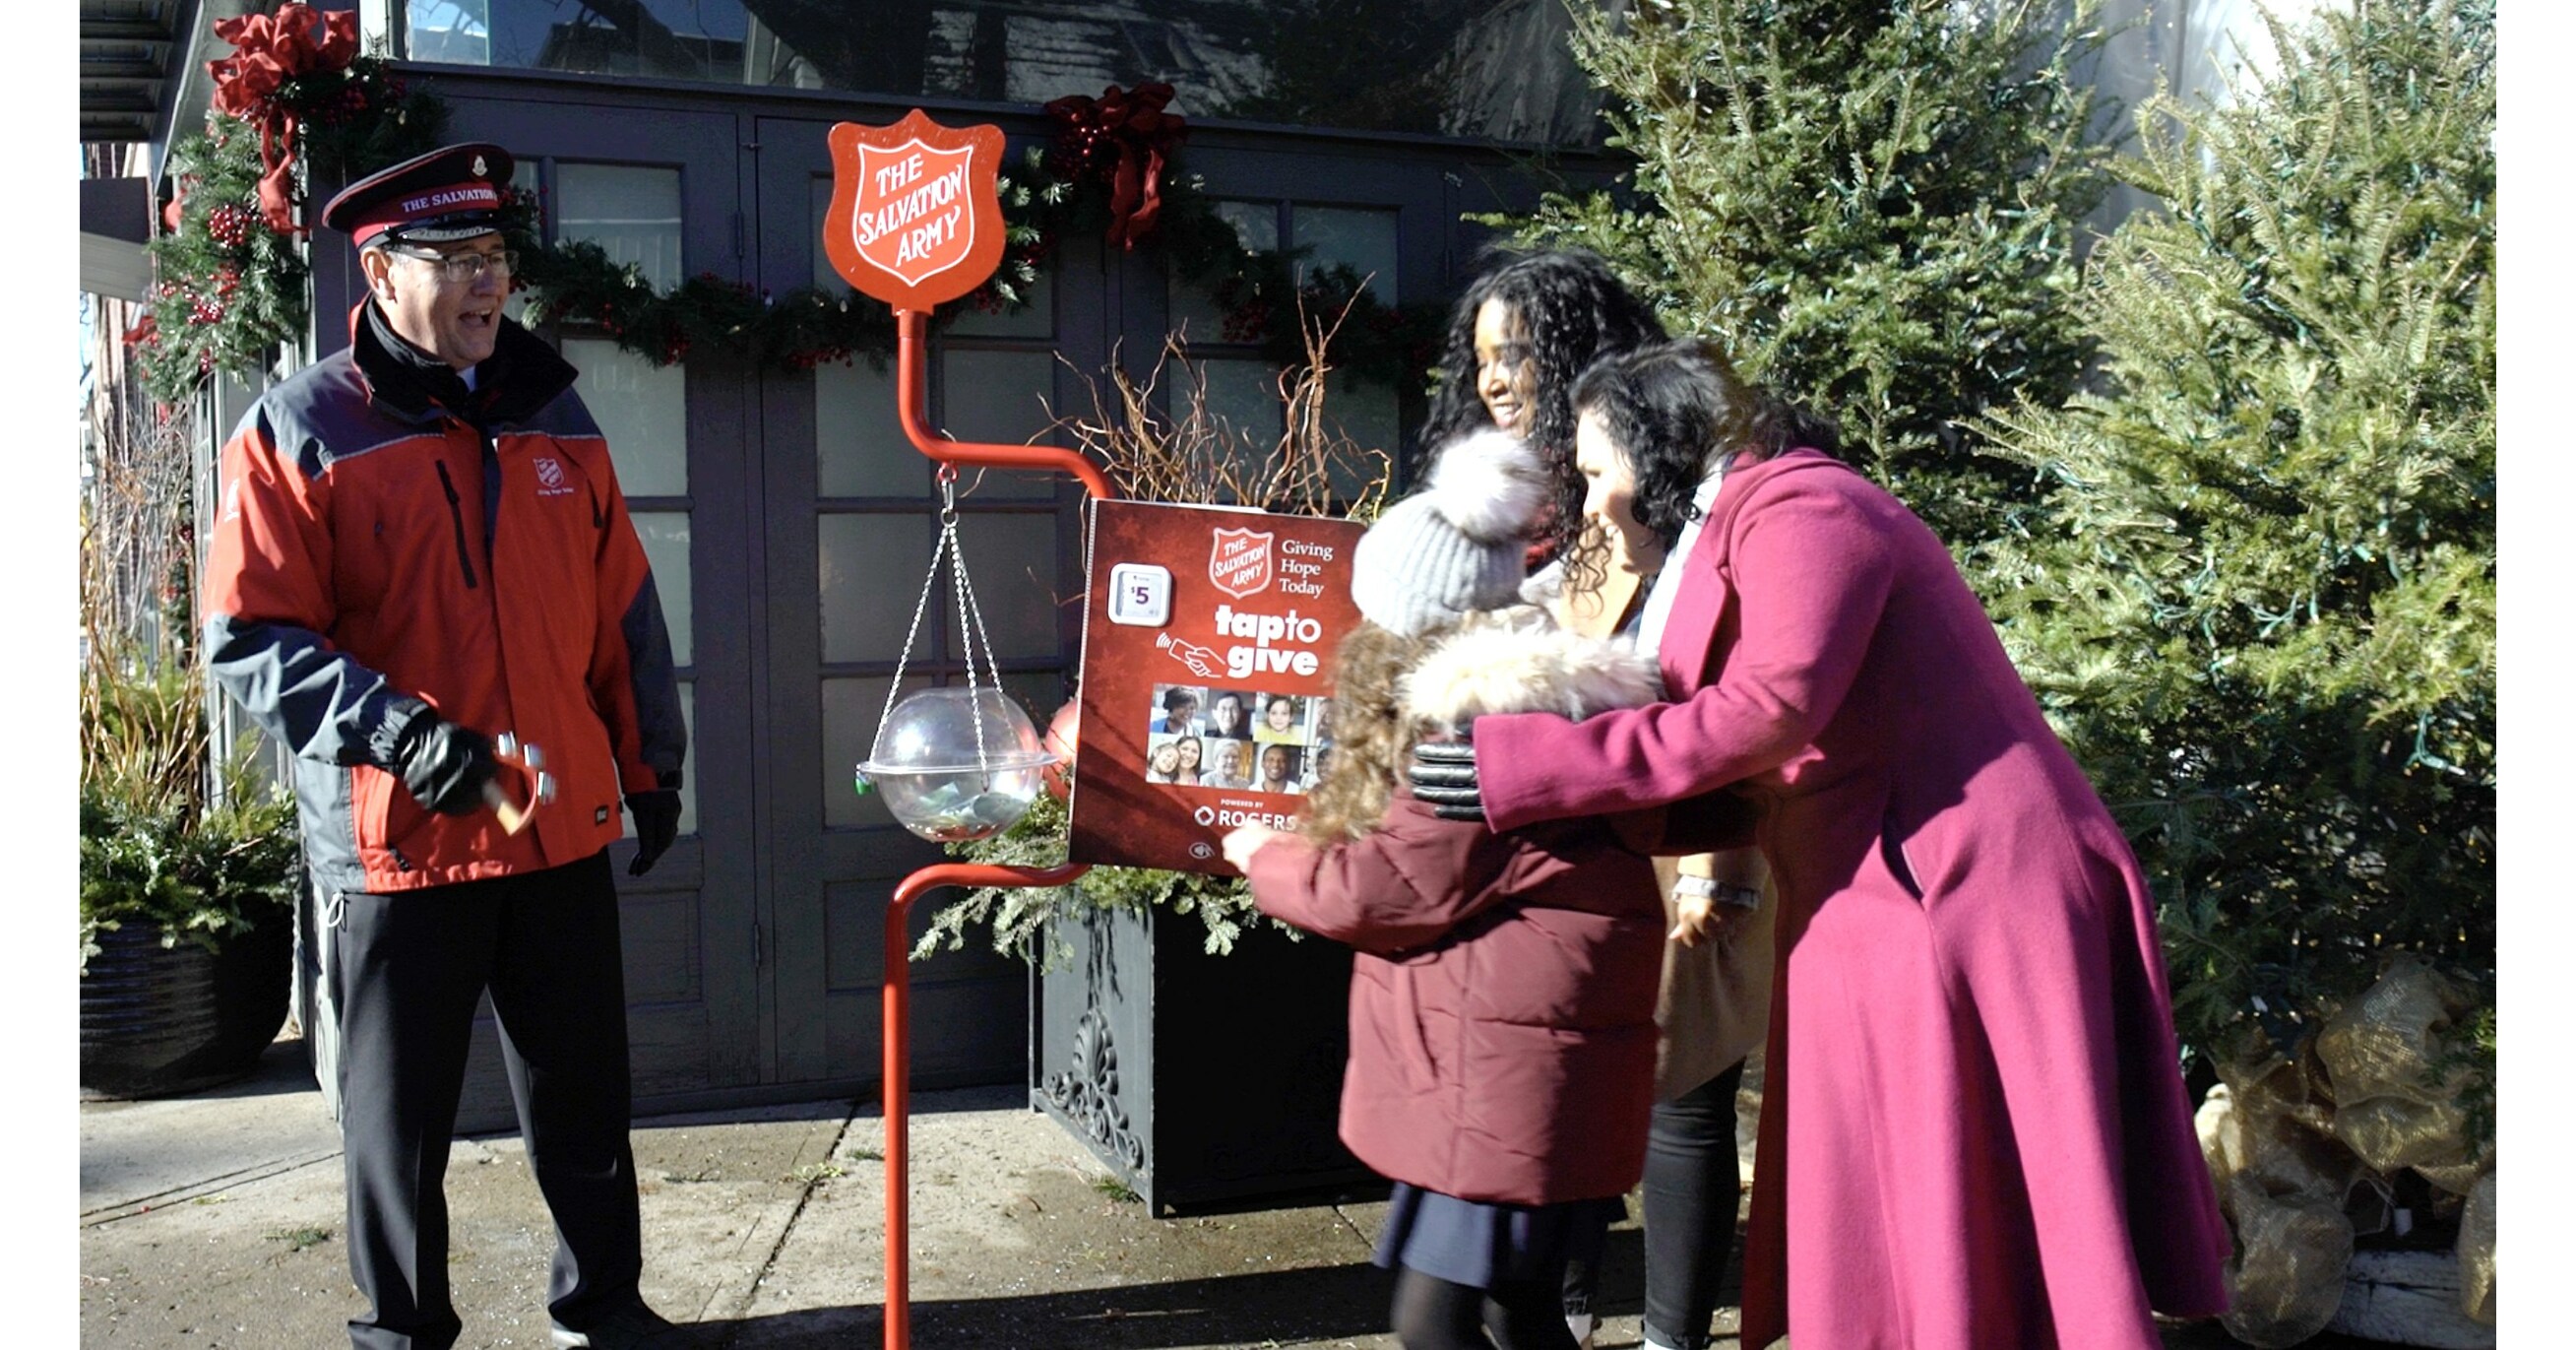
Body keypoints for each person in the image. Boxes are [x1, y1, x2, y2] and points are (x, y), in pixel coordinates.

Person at [1410, 342, 2231, 1349]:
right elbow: (1744, 756)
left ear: (1657, 442)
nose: (1590, 505)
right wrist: (1550, 797)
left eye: (1593, 472)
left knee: (1944, 1179)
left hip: (1958, 883)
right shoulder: (1746, 522)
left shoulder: (1805, 509)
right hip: (1882, 878)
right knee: (1903, 1181)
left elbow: (1767, 713)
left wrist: (1527, 770)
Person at [200, 144, 696, 1350]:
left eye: (499, 260)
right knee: (399, 1125)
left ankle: (609, 1309)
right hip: (401, 843)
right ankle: (402, 1337)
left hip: (554, 826)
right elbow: (248, 633)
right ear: (380, 271)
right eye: (460, 261)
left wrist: (648, 765)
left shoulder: (553, 415)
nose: (491, 285)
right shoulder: (300, 427)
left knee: (585, 1102)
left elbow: (621, 608)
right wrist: (403, 736)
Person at [1222, 429, 1671, 1350]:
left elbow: (1376, 890)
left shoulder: (1476, 727)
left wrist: (1257, 851)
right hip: (1521, 1068)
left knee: (1433, 1323)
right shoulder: (1543, 702)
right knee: (1522, 1308)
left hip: (1499, 1079)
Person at [1429, 246, 1760, 1350]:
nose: (1493, 378)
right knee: (1566, 1081)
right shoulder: (1502, 492)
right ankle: (1559, 1310)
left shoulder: (1660, 470)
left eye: (1515, 351)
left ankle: (1673, 1337)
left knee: (1682, 1087)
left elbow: (1721, 675)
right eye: (1481, 357)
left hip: (1675, 826)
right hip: (1555, 828)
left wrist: (1719, 866)